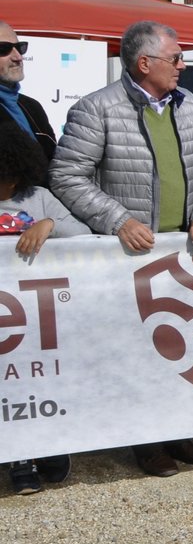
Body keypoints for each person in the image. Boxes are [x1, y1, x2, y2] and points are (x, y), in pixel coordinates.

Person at [51, 21, 193, 477]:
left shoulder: (189, 107)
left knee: (183, 345)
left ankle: (178, 433)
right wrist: (117, 220)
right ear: (144, 63)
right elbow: (66, 176)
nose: (183, 66)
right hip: (128, 255)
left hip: (183, 250)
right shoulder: (97, 109)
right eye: (175, 58)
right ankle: (144, 443)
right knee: (138, 351)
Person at [0, 121, 86, 494]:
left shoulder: (37, 198)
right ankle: (19, 459)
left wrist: (48, 224)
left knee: (41, 381)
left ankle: (50, 445)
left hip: (39, 314)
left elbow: (84, 234)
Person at [0, 20, 58, 159]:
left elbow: (53, 159)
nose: (18, 57)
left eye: (20, 47)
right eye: (4, 49)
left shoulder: (32, 107)